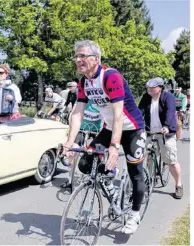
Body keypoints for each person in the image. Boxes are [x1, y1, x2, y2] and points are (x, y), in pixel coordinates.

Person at [63, 40, 146, 234]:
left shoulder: (111, 76)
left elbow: (118, 114)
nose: (78, 59)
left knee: (136, 173)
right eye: (76, 56)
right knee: (85, 164)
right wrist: (69, 141)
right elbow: (77, 113)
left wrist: (115, 147)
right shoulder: (84, 82)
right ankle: (110, 178)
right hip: (110, 128)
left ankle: (134, 214)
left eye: (82, 55)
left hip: (131, 128)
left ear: (96, 59)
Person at [138, 77, 183, 199]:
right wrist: (135, 124)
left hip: (165, 133)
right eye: (148, 89)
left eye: (153, 89)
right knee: (148, 157)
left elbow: (170, 112)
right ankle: (150, 179)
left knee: (171, 161)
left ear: (160, 88)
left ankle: (178, 185)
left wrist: (166, 126)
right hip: (150, 132)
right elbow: (139, 111)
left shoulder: (168, 97)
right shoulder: (146, 97)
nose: (150, 92)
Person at [61, 99, 103, 189]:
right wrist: (70, 133)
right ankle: (70, 180)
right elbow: (72, 115)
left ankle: (99, 176)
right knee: (72, 153)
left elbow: (106, 118)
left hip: (96, 130)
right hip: (82, 129)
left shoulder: (100, 99)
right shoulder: (82, 98)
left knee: (99, 154)